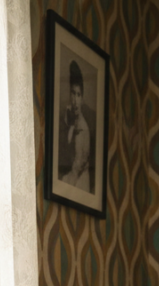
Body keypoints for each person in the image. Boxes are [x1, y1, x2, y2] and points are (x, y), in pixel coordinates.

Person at [58, 59, 92, 191]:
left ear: (82, 98)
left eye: (78, 95)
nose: (75, 100)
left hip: (79, 184)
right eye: (73, 93)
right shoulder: (68, 117)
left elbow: (76, 170)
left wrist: (62, 182)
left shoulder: (83, 129)